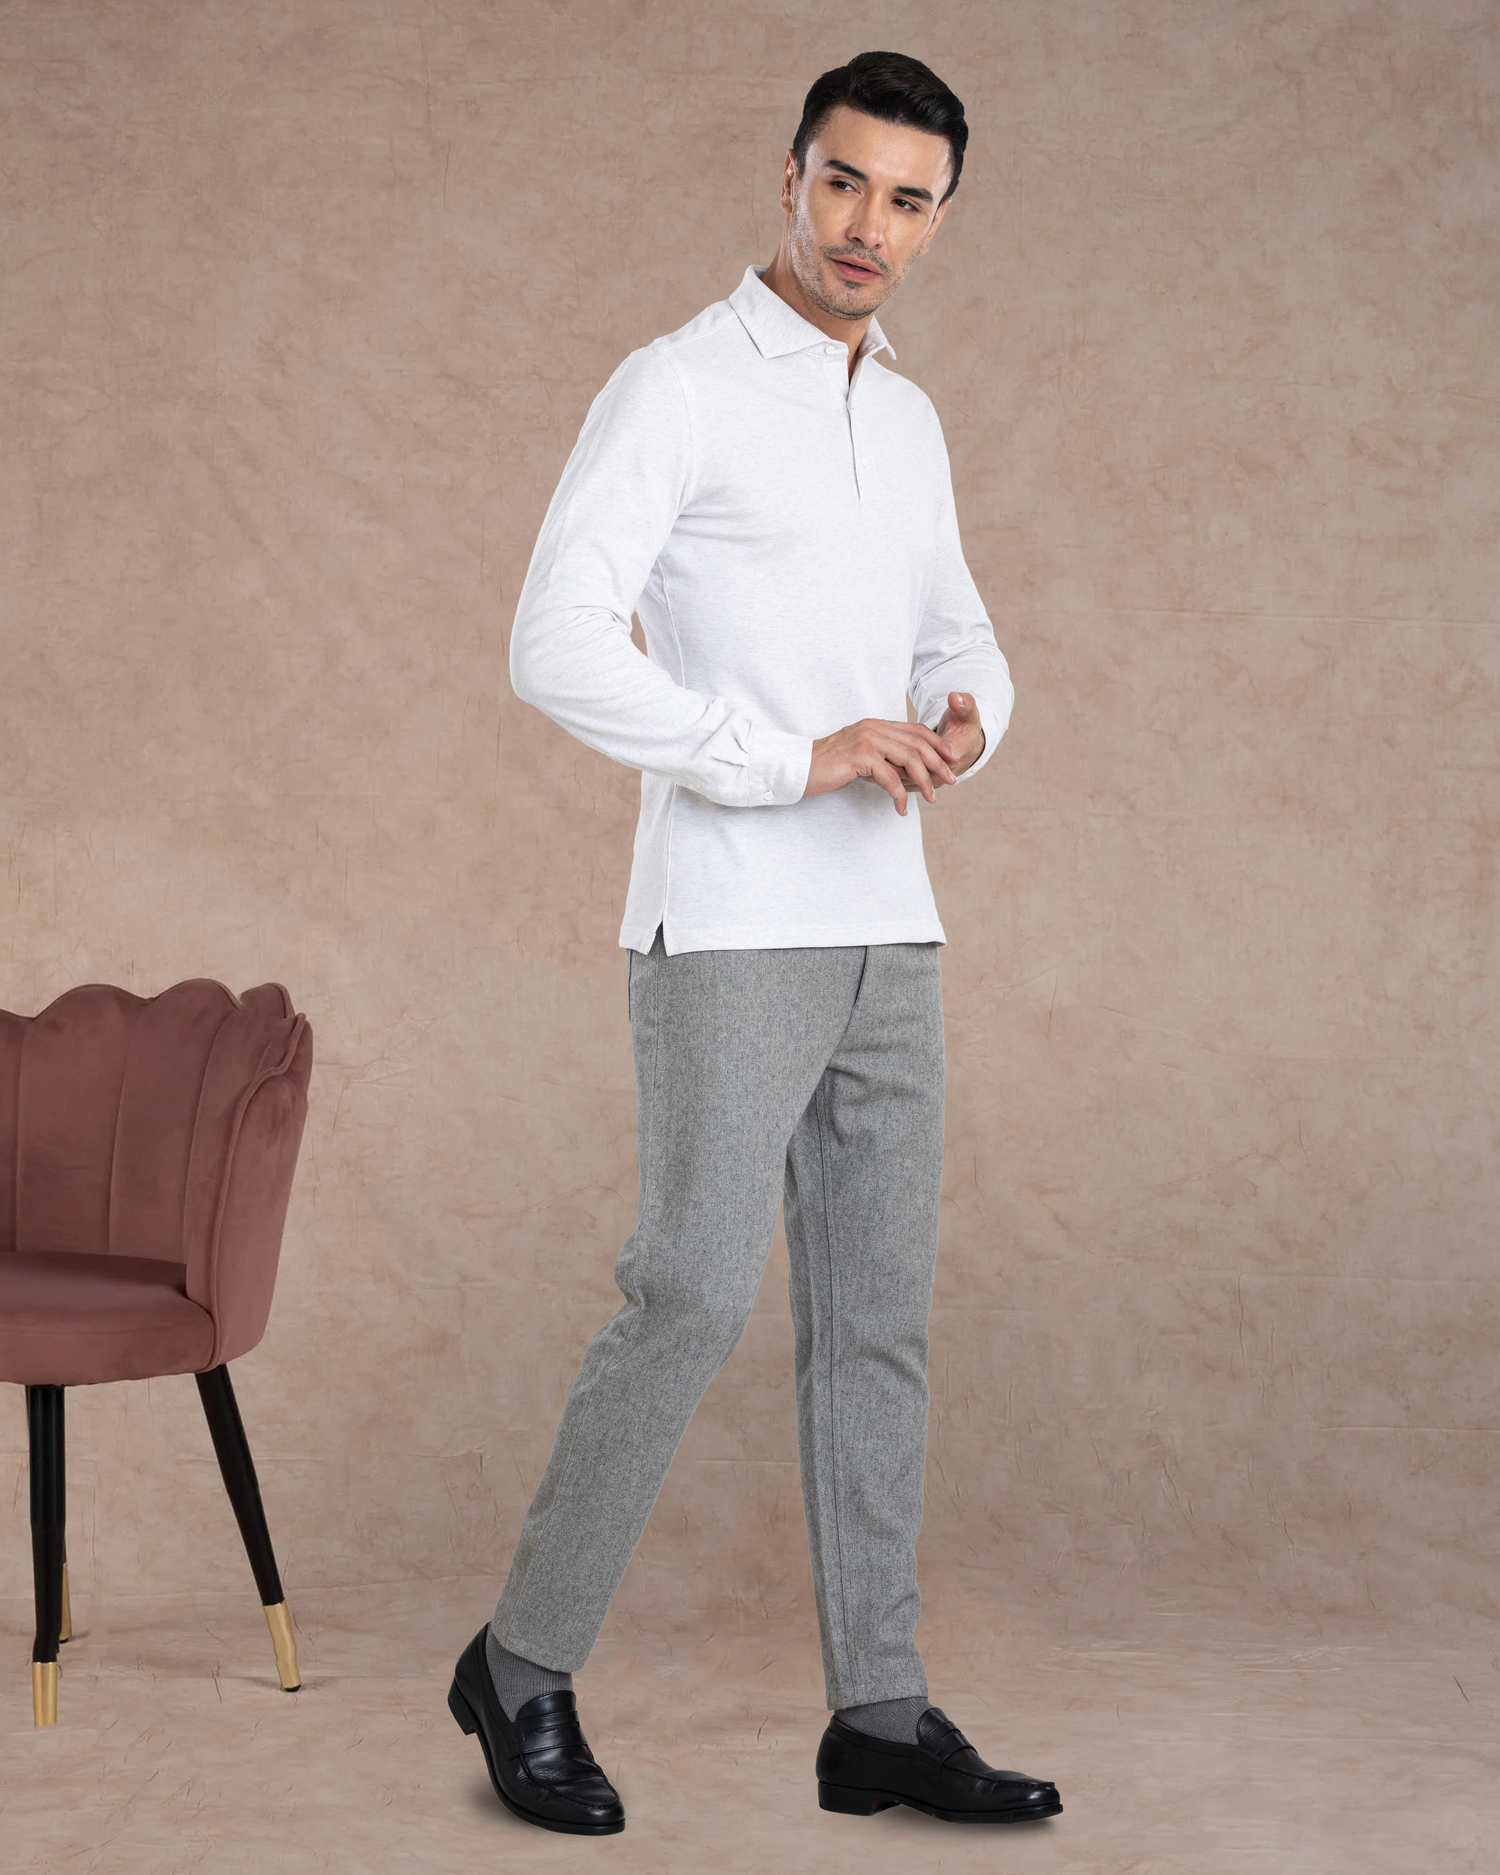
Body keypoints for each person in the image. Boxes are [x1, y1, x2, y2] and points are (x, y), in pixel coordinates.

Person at [447, 50, 1062, 1835]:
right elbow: (554, 640)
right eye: (844, 182)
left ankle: (879, 1710)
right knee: (694, 1292)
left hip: (891, 930)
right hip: (726, 924)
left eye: (910, 200)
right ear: (788, 178)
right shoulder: (678, 385)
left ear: (940, 221)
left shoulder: (909, 420)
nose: (870, 226)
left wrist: (965, 718)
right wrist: (785, 758)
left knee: (876, 1325)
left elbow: (962, 635)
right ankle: (522, 1663)